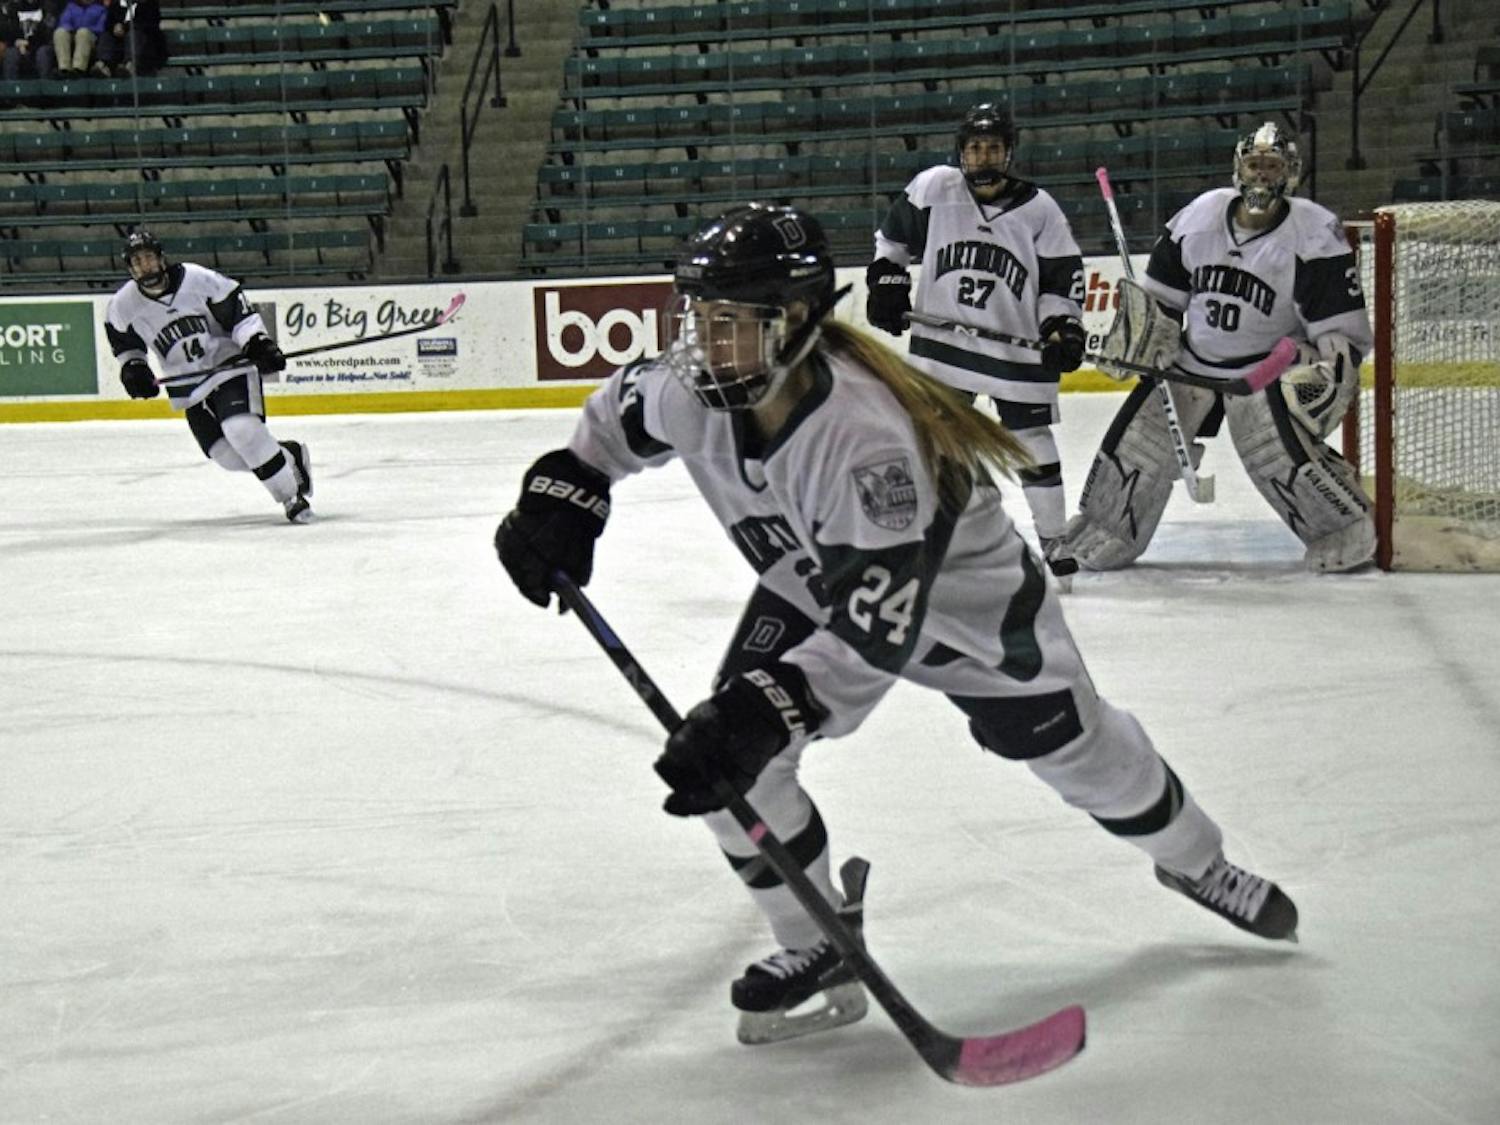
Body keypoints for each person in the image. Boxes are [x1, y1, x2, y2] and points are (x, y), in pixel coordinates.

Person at [494, 203, 1299, 1047]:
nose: (702, 343)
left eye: (729, 322)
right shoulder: (691, 389)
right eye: (696, 317)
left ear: (797, 323)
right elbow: (609, 426)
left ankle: (1199, 860)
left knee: (1080, 750)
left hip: (967, 608)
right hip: (819, 584)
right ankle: (815, 945)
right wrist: (565, 491)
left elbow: (876, 626)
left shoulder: (863, 438)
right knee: (737, 768)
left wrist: (769, 707)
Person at [1065, 122, 1376, 573]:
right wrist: (1148, 335)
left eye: (1273, 166)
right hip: (1193, 361)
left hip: (1268, 370)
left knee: (1270, 449)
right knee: (1139, 443)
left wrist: (1330, 372)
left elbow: (1339, 330)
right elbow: (1162, 303)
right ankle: (1107, 524)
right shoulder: (1200, 216)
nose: (1262, 175)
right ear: (1238, 169)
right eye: (1254, 164)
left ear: (1292, 173)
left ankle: (1340, 525)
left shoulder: (1313, 233)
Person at [866, 102, 1088, 589]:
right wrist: (885, 279)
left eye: (992, 148)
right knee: (934, 445)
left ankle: (1053, 540)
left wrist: (1061, 327)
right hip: (945, 346)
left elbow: (1062, 278)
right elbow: (891, 241)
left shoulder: (1040, 209)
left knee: (1031, 445)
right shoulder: (934, 188)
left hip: (1016, 352)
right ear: (960, 152)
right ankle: (930, 542)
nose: (982, 157)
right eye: (974, 148)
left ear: (1008, 152)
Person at [104, 229, 314, 524]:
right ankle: (288, 457)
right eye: (137, 262)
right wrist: (134, 368)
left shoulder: (196, 279)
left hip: (228, 366)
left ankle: (291, 496)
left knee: (242, 429)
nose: (145, 266)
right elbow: (127, 348)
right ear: (130, 268)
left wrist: (257, 342)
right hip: (188, 385)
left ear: (161, 258)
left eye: (149, 258)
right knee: (226, 456)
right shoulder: (123, 305)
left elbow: (239, 315)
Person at [51, 0, 104, 77]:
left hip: (91, 38)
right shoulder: (71, 7)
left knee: (83, 33)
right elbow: (64, 22)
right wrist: (72, 30)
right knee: (60, 32)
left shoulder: (100, 9)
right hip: (73, 35)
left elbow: (100, 27)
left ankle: (78, 69)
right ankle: (64, 69)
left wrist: (84, 29)